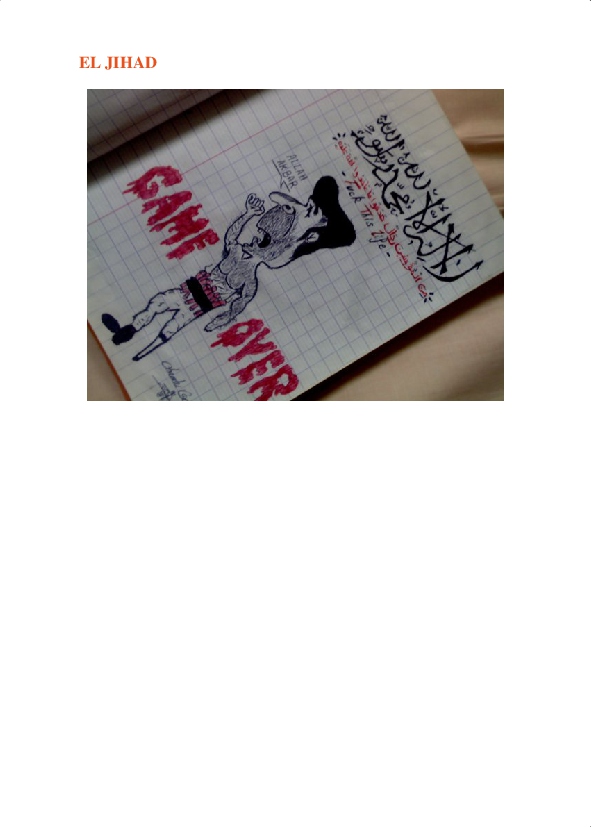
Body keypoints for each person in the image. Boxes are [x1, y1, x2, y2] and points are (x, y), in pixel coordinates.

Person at [101, 176, 356, 361]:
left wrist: (225, 318)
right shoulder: (243, 250)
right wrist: (248, 214)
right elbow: (233, 236)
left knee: (172, 325)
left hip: (197, 304)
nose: (257, 240)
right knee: (159, 303)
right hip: (189, 291)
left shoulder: (254, 276)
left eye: (314, 210)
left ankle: (143, 352)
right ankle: (131, 330)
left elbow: (240, 302)